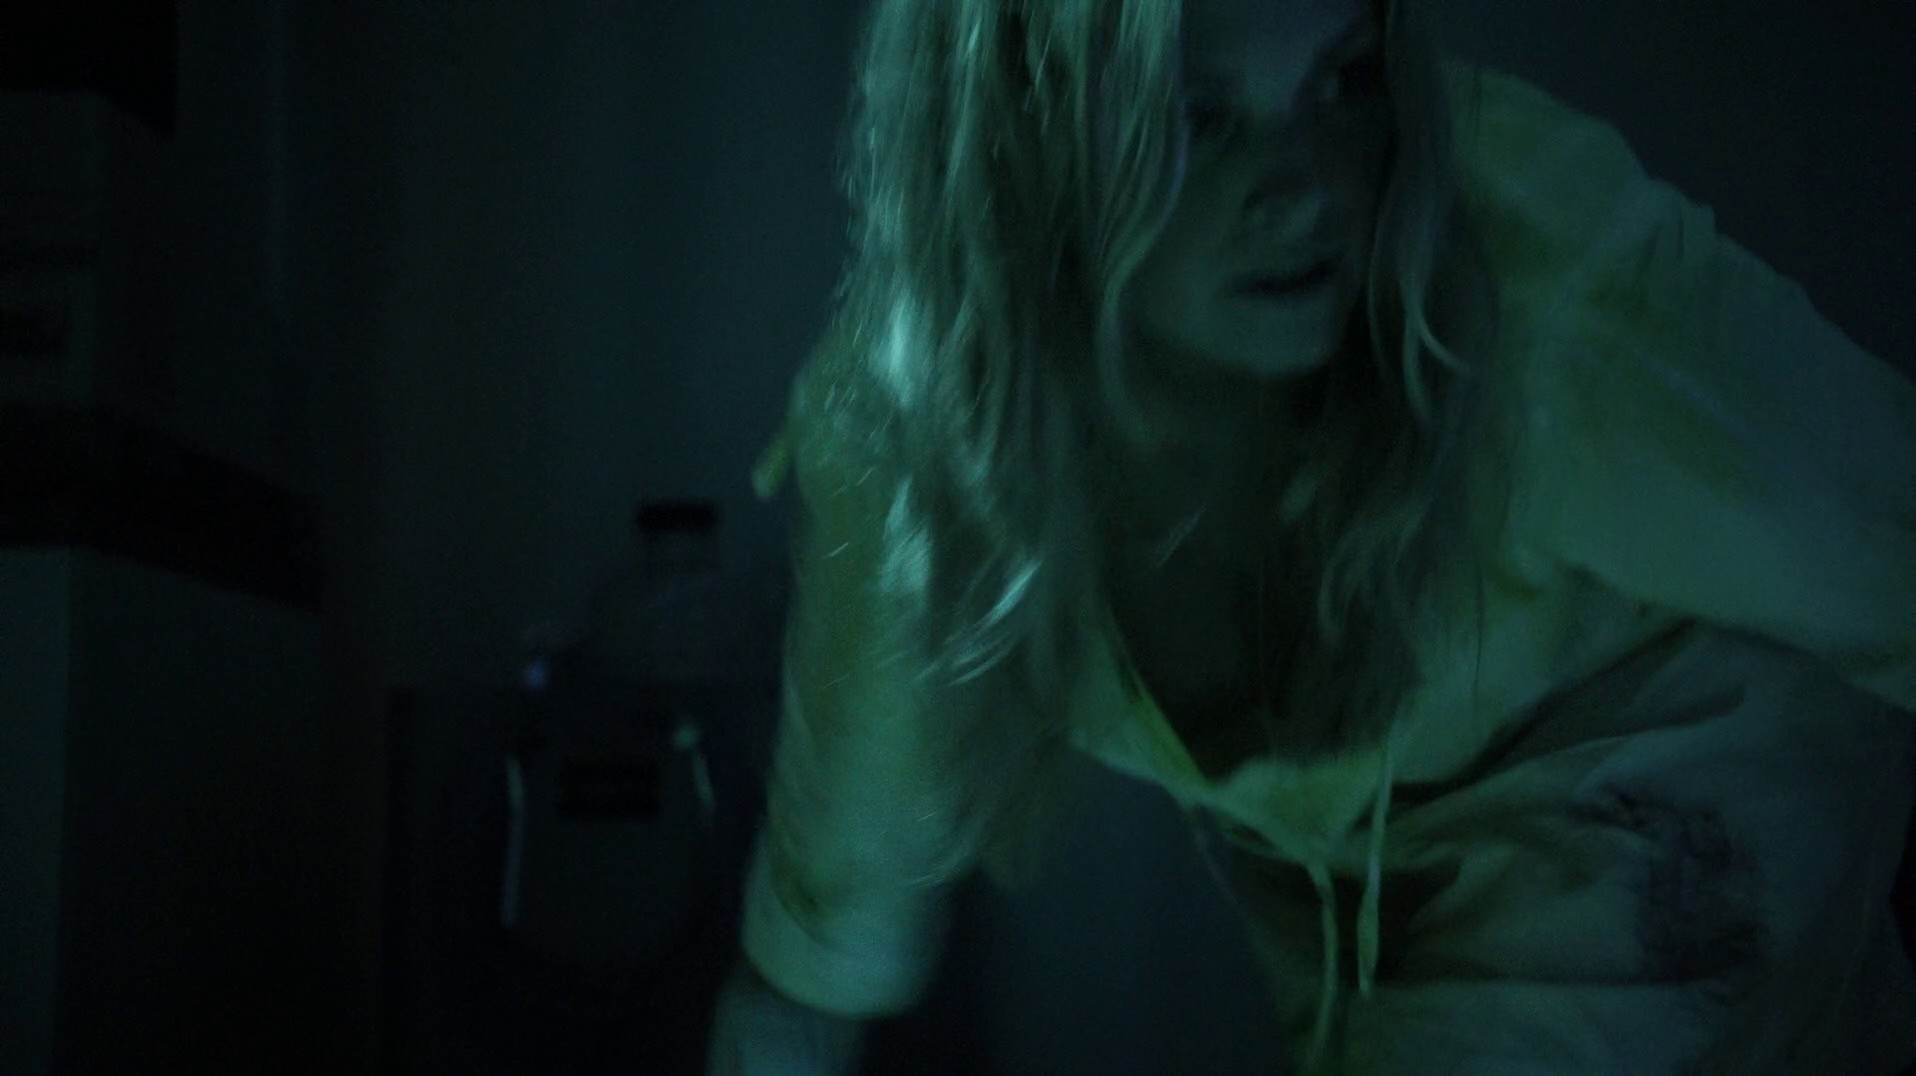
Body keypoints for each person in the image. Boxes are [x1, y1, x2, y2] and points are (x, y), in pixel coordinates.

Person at [706, 0, 1916, 1071]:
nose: (1306, 188)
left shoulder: (1534, 279)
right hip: (1362, 933)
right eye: (1198, 118)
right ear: (1022, 147)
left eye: (1343, 80)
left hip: (1670, 813)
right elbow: (826, 926)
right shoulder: (926, 433)